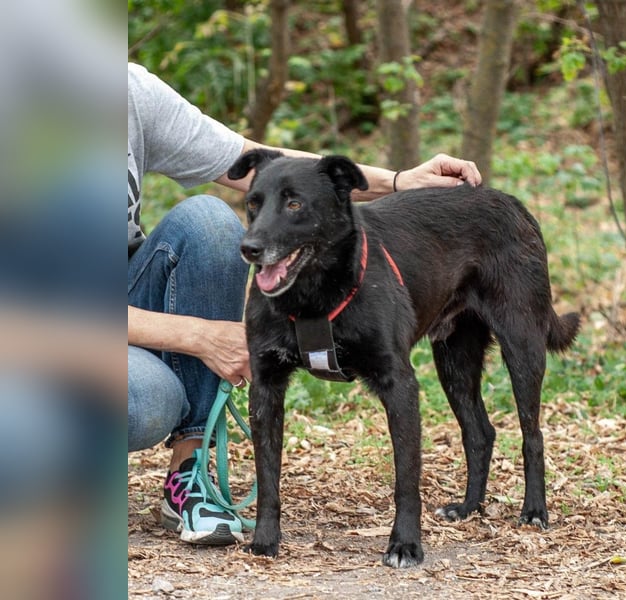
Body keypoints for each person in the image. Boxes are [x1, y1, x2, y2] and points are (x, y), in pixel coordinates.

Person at [127, 62, 481, 546]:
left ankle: (190, 472)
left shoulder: (128, 91)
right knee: (143, 401)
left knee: (209, 220)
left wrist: (399, 182)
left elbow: (265, 163)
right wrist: (199, 336)